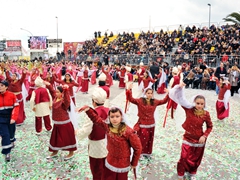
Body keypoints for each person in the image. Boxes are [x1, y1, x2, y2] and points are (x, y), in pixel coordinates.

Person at [77, 106, 142, 180]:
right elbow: (96, 119)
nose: (114, 119)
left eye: (117, 116)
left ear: (121, 117)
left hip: (123, 164)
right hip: (110, 162)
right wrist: (88, 110)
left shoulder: (128, 132)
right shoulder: (108, 127)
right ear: (109, 118)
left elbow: (138, 148)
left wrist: (134, 163)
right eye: (112, 117)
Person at [168, 82, 213, 180]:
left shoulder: (206, 114)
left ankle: (192, 173)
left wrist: (204, 136)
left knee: (196, 158)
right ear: (194, 102)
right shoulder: (189, 109)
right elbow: (180, 99)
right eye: (198, 103)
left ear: (204, 104)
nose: (199, 106)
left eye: (201, 104)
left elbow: (210, 126)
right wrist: (179, 88)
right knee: (184, 157)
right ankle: (181, 173)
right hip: (188, 137)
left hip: (199, 140)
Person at [126, 84, 169, 158]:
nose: (150, 95)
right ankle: (140, 153)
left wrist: (169, 94)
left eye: (151, 93)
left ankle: (148, 153)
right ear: (145, 93)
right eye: (148, 93)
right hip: (142, 124)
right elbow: (131, 99)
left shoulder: (155, 101)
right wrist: (129, 90)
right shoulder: (140, 101)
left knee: (150, 139)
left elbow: (164, 101)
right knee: (142, 139)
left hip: (151, 124)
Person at [77, 87, 109, 179]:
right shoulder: (109, 110)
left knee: (97, 168)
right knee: (106, 166)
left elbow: (86, 130)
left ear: (94, 102)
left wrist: (77, 133)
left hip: (96, 145)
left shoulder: (92, 113)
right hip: (108, 142)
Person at [47, 85, 77, 160]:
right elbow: (52, 91)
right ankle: (55, 152)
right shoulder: (55, 98)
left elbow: (67, 100)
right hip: (57, 123)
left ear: (61, 93)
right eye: (56, 92)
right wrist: (48, 85)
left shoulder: (64, 102)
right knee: (55, 138)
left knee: (67, 139)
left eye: (57, 92)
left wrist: (66, 90)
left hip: (65, 124)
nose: (56, 93)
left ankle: (71, 153)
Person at [0, 80, 19, 162]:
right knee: (5, 135)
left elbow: (16, 107)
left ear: (6, 87)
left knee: (11, 133)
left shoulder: (12, 96)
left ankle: (12, 140)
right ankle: (7, 153)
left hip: (10, 118)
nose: (0, 87)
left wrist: (13, 118)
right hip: (1, 119)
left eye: (1, 85)